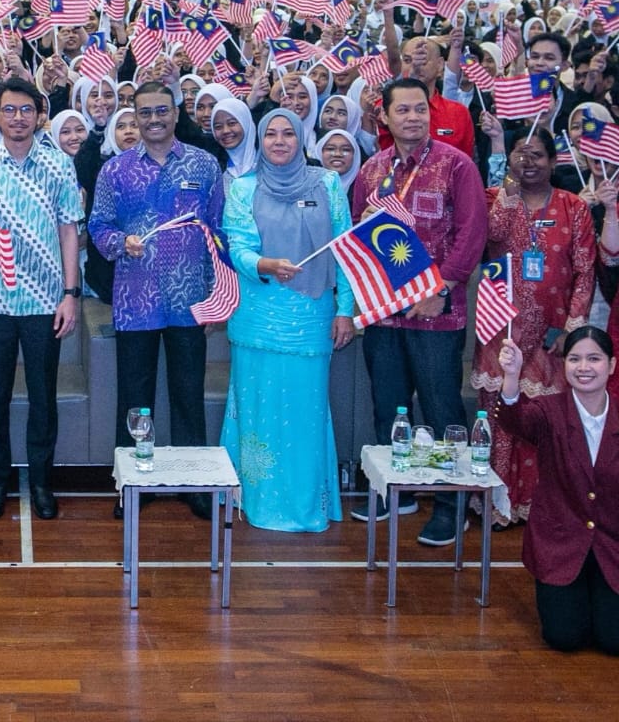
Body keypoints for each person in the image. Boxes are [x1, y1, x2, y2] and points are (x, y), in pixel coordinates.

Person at [352, 78, 487, 546]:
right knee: (390, 407)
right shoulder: (372, 171)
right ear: (384, 117)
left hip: (436, 313)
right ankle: (396, 491)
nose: (413, 117)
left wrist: (442, 288)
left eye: (420, 109)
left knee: (441, 408)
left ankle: (452, 505)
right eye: (403, 110)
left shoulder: (456, 165)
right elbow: (360, 236)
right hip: (384, 314)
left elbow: (472, 233)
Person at [88, 81, 224, 519]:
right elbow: (98, 226)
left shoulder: (204, 164)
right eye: (144, 113)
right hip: (135, 300)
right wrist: (118, 243)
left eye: (161, 110)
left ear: (176, 112)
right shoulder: (115, 170)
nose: (153, 120)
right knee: (135, 398)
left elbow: (218, 229)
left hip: (190, 299)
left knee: (188, 396)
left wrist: (216, 291)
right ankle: (133, 484)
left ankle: (194, 485)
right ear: (134, 117)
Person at [0, 78, 83, 521]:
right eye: (9, 110)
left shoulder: (59, 165)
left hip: (46, 301)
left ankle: (42, 482)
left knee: (43, 396)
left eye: (26, 109)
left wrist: (70, 293)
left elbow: (69, 231)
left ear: (39, 114)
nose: (18, 118)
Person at [219, 109, 353, 532]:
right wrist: (265, 264)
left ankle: (304, 505)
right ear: (260, 141)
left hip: (311, 318)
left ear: (301, 139)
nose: (279, 141)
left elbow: (345, 250)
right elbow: (238, 247)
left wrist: (346, 310)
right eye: (271, 134)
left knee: (305, 413)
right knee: (257, 410)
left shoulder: (327, 184)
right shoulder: (244, 187)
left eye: (288, 134)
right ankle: (257, 504)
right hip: (257, 317)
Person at [470, 126, 595, 525]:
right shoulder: (494, 198)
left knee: (543, 418)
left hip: (551, 335)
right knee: (498, 415)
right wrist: (507, 190)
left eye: (537, 154)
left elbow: (585, 270)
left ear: (553, 161)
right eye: (520, 154)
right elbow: (491, 235)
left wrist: (572, 328)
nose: (528, 162)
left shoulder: (574, 207)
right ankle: (496, 505)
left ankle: (540, 505)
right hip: (501, 330)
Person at [494, 329, 619, 655]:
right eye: (575, 359)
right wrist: (511, 376)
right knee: (564, 638)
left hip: (613, 546)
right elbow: (514, 420)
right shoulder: (548, 410)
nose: (584, 367)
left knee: (613, 641)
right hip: (560, 545)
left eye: (594, 359)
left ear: (611, 365)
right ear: (564, 365)